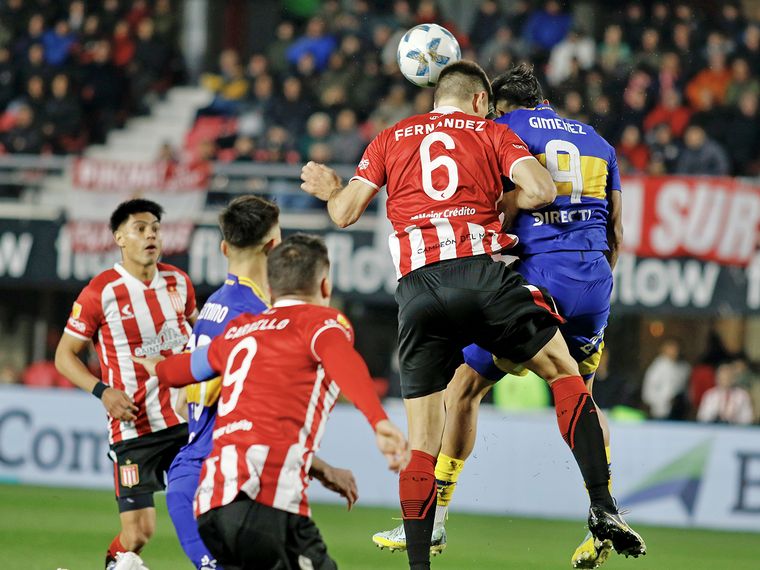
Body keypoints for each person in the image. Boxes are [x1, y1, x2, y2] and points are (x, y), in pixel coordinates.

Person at [300, 60, 644, 570]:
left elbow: (345, 212)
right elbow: (586, 213)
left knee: (442, 413)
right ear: (481, 101)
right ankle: (602, 505)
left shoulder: (398, 135)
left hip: (432, 288)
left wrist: (331, 188)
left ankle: (428, 539)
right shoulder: (547, 136)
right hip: (557, 279)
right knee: (571, 383)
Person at [134, 234, 408, 569]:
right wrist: (378, 420)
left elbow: (181, 370)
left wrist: (154, 367)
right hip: (266, 502)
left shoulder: (239, 330)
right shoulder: (322, 323)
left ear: (271, 289)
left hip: (210, 505)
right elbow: (342, 360)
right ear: (325, 286)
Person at [165, 195, 359, 570]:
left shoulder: (216, 305)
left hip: (198, 479)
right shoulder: (259, 317)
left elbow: (186, 401)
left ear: (224, 247)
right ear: (273, 247)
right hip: (225, 487)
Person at [54, 199, 197, 570]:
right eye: (140, 228)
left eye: (155, 228)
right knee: (138, 536)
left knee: (211, 510)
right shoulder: (100, 292)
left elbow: (204, 337)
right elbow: (64, 356)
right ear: (120, 237)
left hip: (187, 422)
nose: (151, 234)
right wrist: (102, 391)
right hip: (135, 427)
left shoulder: (179, 282)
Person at [641, 338, 690, 420]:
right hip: (661, 412)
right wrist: (666, 400)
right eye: (671, 348)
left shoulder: (684, 367)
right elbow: (647, 394)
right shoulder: (656, 368)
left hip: (680, 411)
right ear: (663, 349)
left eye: (676, 348)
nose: (674, 351)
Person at [697, 358, 753, 425]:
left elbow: (748, 419)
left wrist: (734, 417)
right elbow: (702, 417)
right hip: (714, 430)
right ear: (717, 377)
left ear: (734, 377)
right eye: (723, 375)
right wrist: (716, 414)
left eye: (728, 375)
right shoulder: (709, 395)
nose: (726, 378)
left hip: (736, 430)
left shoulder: (743, 395)